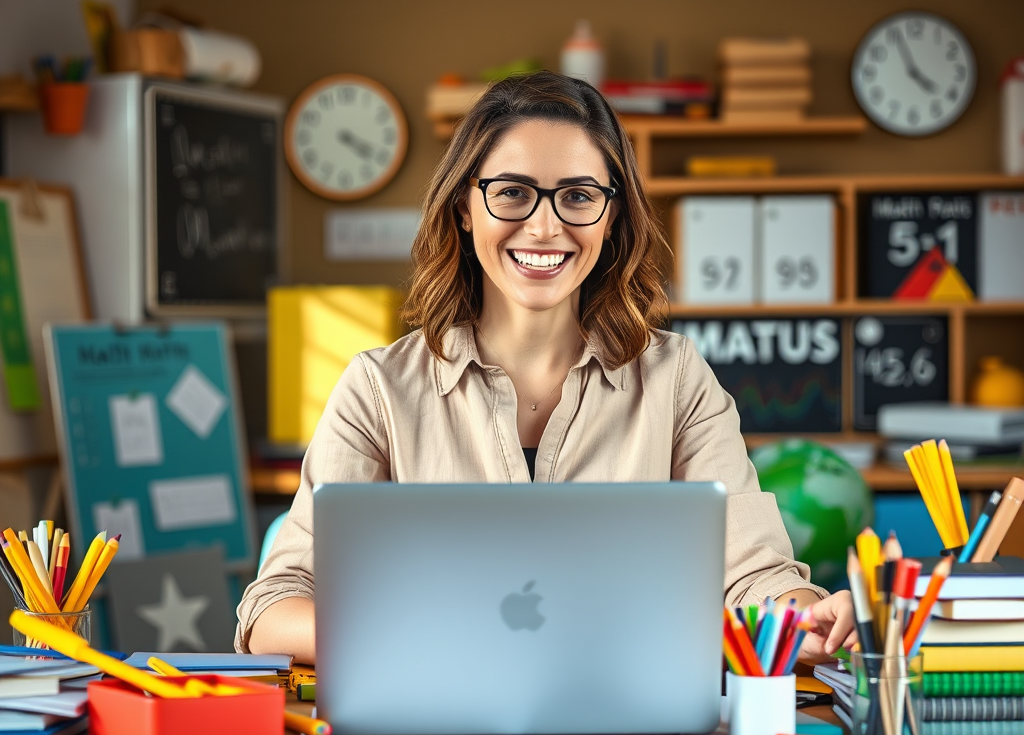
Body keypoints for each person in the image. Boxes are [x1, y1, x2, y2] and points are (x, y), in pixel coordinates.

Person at [236, 71, 855, 665]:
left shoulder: (677, 379)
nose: (545, 225)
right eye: (512, 191)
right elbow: (273, 609)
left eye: (579, 196)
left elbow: (754, 574)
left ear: (611, 218)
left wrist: (807, 620)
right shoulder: (378, 389)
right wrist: (439, 636)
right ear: (463, 208)